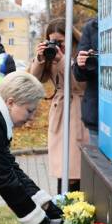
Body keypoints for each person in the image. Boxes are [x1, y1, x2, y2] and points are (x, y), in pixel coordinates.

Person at [0, 71, 64, 224]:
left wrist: (46, 205)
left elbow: (12, 168)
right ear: (10, 102)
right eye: (29, 110)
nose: (32, 117)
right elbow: (4, 180)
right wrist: (42, 222)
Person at [31, 20, 89, 194]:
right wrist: (40, 59)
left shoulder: (81, 53)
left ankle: (73, 206)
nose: (57, 46)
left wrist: (63, 59)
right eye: (52, 41)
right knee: (62, 168)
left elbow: (80, 85)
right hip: (60, 113)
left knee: (73, 168)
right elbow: (35, 80)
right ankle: (63, 204)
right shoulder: (51, 54)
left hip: (77, 111)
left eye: (60, 42)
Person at [73, 17, 100, 145]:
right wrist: (82, 64)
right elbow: (78, 74)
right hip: (97, 113)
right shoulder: (92, 27)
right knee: (100, 162)